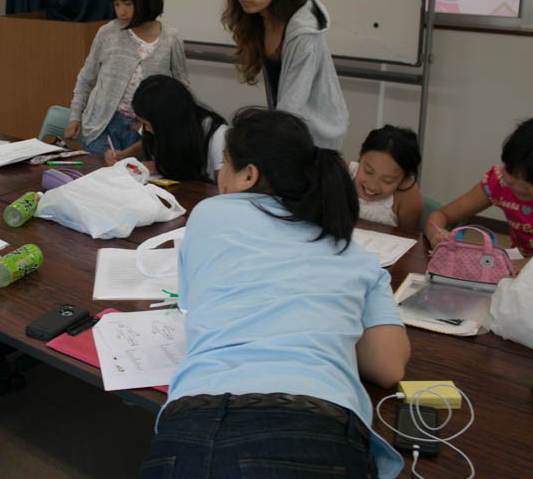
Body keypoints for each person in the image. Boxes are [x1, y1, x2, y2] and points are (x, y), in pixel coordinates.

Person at [141, 108, 410, 479]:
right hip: (319, 427)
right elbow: (388, 368)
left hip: (193, 425)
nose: (219, 175)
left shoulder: (209, 215)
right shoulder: (358, 256)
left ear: (248, 175)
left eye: (224, 164)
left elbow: (194, 305)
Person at [222, 0, 348, 150]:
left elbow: (292, 106)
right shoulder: (260, 18)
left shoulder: (302, 33)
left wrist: (267, 144)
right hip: (289, 130)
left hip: (316, 138)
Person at [65, 0, 189, 155]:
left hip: (147, 132)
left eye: (128, 4)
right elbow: (86, 78)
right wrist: (75, 117)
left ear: (146, 0)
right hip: (102, 127)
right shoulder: (107, 33)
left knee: (140, 182)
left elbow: (182, 89)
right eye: (116, 4)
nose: (121, 11)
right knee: (99, 181)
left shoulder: (171, 39)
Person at [424, 115, 533, 263]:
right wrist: (436, 234)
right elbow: (441, 215)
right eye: (511, 173)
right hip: (517, 271)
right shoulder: (499, 182)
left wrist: (528, 264)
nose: (518, 187)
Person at [104, 75, 227, 183]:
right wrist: (124, 154)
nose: (146, 130)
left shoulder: (217, 135)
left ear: (167, 122)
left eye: (147, 125)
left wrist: (160, 167)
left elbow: (224, 189)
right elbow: (149, 142)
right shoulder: (166, 126)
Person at [350, 125, 423, 231]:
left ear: (405, 179)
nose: (372, 186)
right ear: (361, 154)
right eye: (368, 171)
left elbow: (408, 240)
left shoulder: (407, 195)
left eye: (387, 181)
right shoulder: (341, 172)